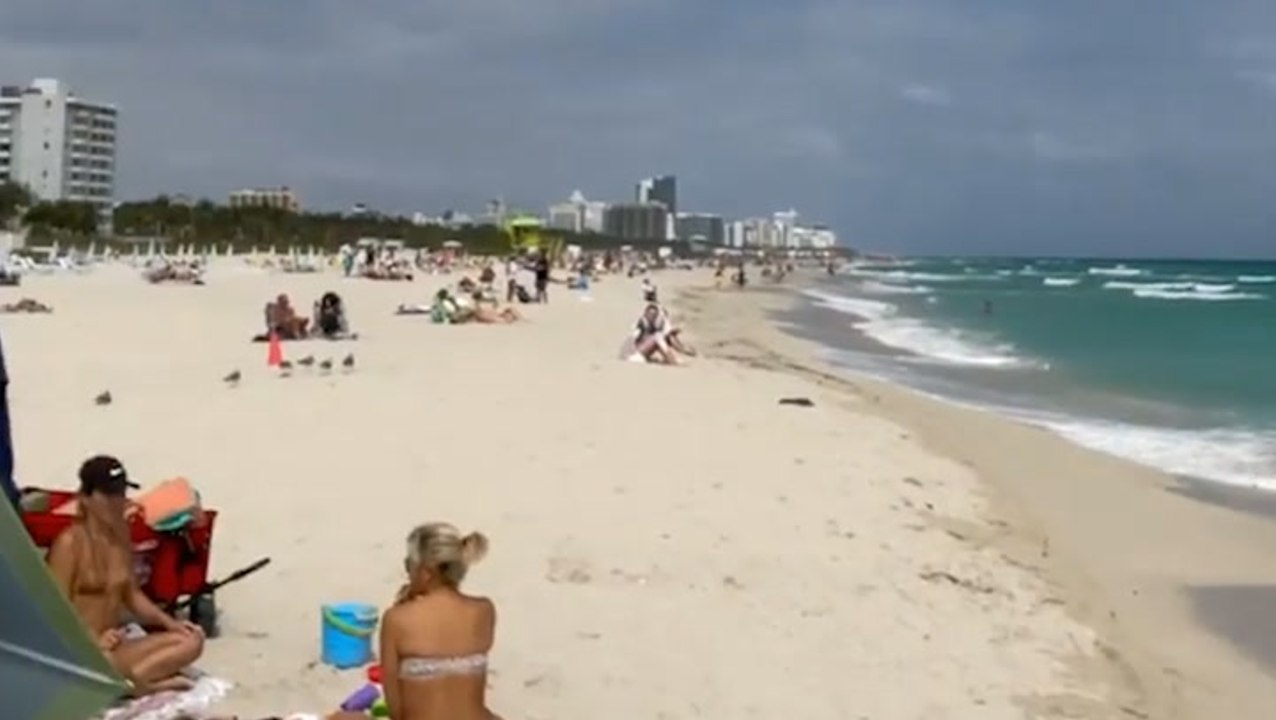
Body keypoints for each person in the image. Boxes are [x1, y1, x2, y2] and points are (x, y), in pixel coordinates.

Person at [47, 456, 205, 695]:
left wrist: (170, 624)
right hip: (79, 653)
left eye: (120, 494)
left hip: (114, 648)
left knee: (191, 640)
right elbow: (54, 610)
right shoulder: (70, 544)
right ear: (86, 498)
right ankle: (142, 682)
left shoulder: (120, 537)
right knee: (117, 662)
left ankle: (138, 681)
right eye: (107, 496)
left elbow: (131, 594)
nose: (116, 502)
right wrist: (91, 640)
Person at [365, 523, 499, 720]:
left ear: (426, 572)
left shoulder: (397, 619)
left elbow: (396, 711)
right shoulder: (484, 610)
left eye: (409, 564)